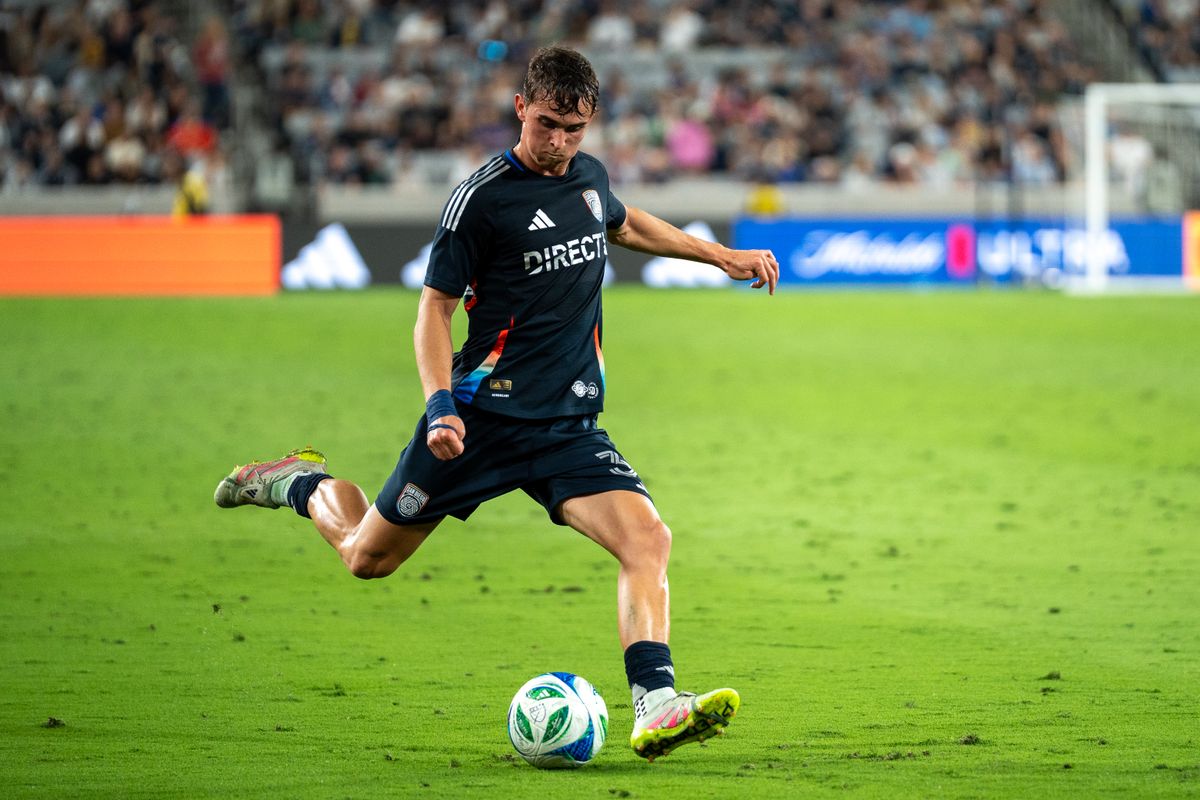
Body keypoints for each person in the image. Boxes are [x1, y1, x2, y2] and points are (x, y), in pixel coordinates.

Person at [214, 46, 778, 762]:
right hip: (478, 423)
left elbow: (627, 223)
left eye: (574, 130)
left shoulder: (588, 179)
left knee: (648, 540)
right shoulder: (481, 200)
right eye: (547, 125)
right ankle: (296, 481)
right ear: (521, 107)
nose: (559, 143)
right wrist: (440, 406)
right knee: (366, 559)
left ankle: (656, 702)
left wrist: (721, 256)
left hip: (567, 426)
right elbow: (432, 312)